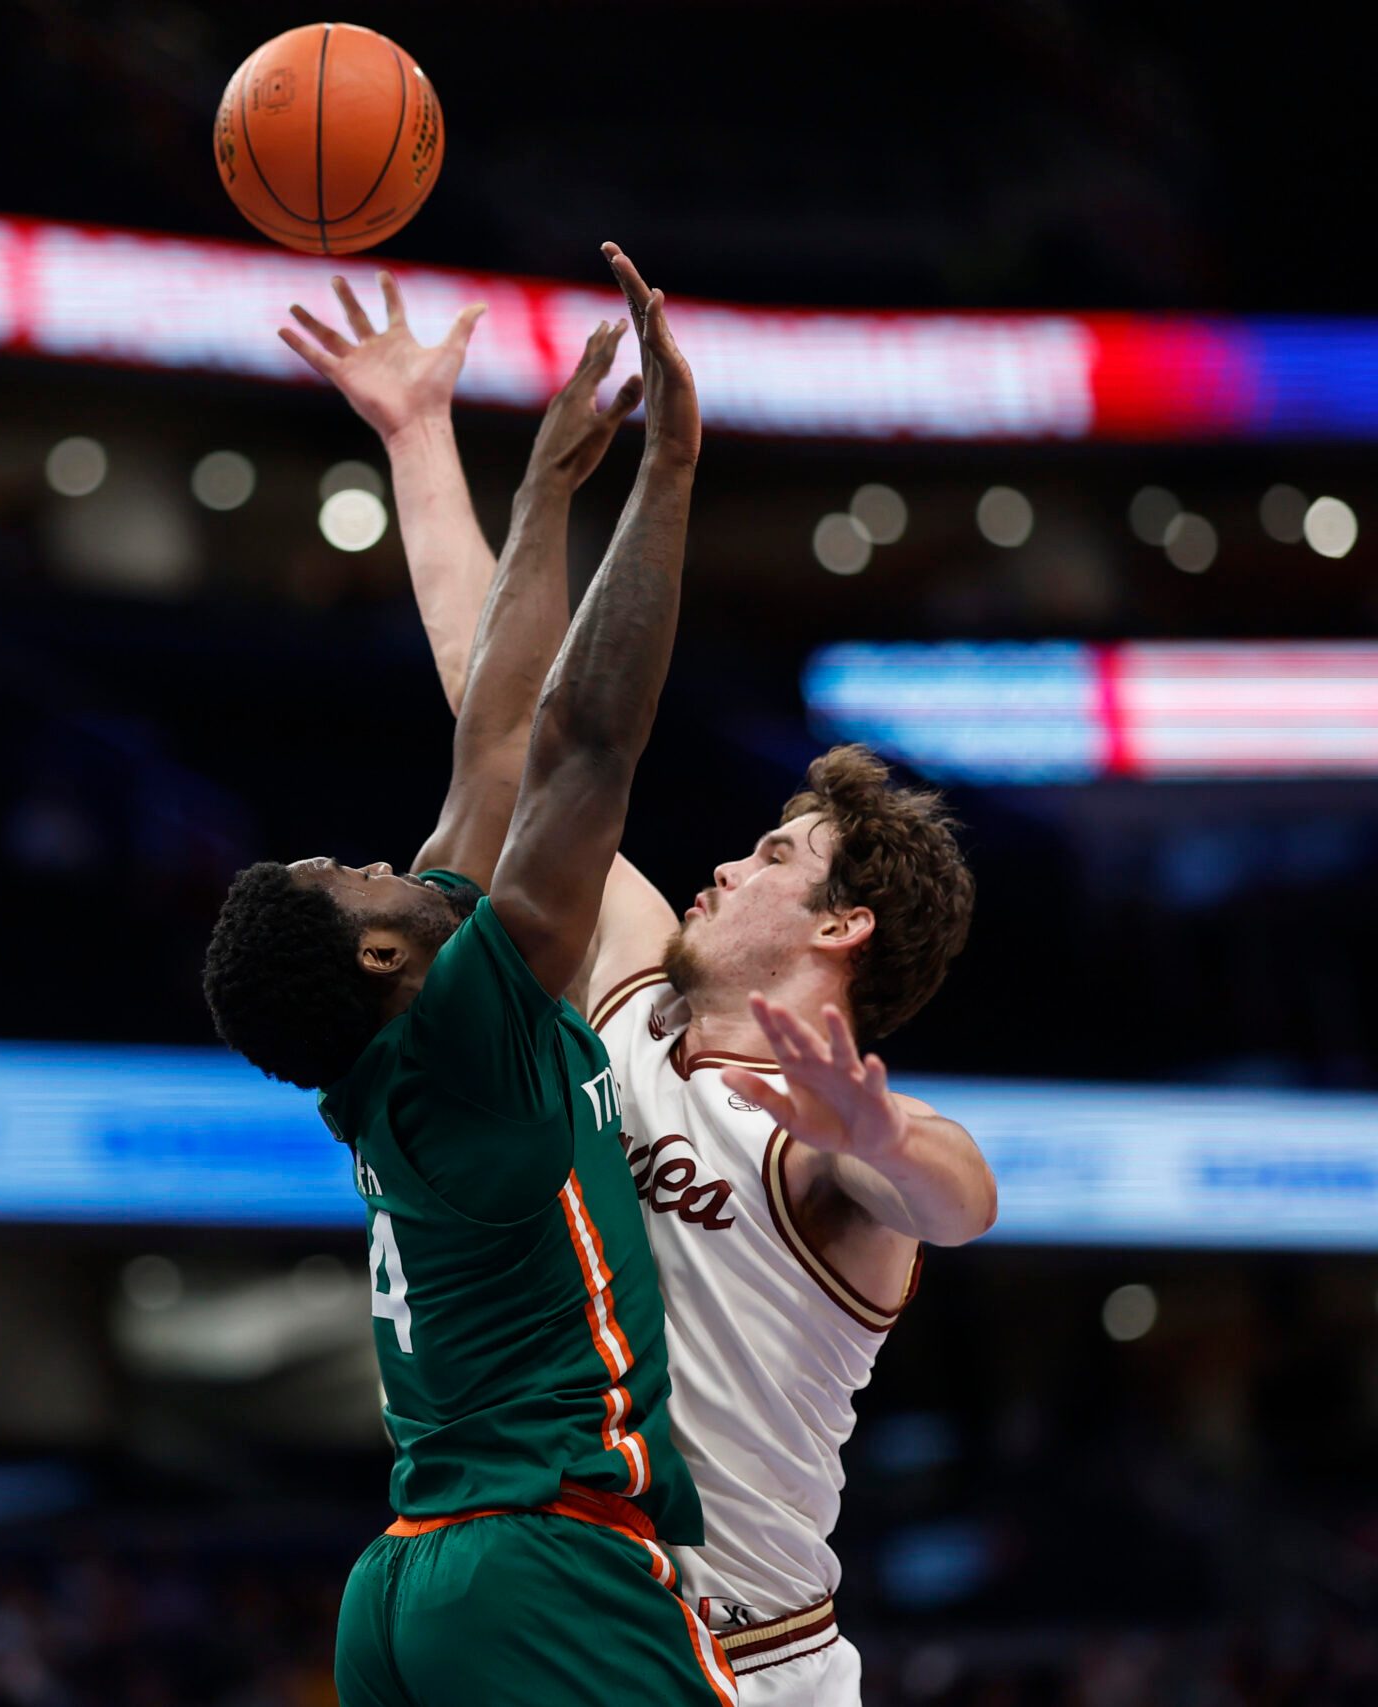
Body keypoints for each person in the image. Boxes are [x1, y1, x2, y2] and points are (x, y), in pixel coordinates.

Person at [284, 271, 997, 1706]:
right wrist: (420, 435)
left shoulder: (824, 1139)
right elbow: (505, 716)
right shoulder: (624, 986)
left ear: (846, 925)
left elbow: (958, 1199)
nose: (729, 864)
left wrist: (880, 1140)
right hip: (578, 1597)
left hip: (757, 1650)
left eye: (777, 855)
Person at [204, 244, 737, 1707]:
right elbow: (583, 750)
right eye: (354, 875)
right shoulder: (463, 1041)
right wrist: (671, 467)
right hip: (540, 1569)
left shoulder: (404, 1038)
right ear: (379, 953)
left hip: (412, 1585)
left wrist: (544, 490)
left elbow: (493, 743)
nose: (383, 860)